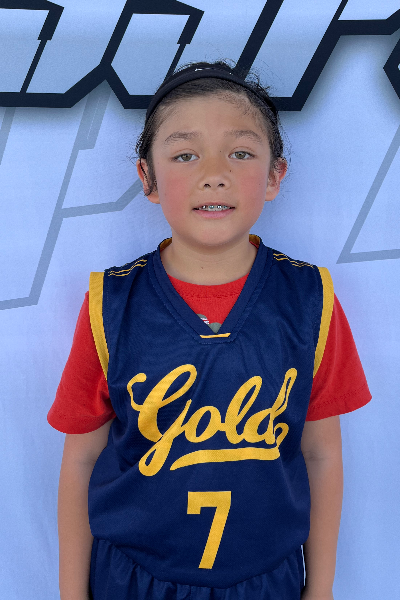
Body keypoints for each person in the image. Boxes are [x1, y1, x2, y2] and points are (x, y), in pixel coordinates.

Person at [48, 60, 372, 600]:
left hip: (266, 581)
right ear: (147, 178)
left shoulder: (310, 299)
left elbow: (321, 454)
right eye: (185, 155)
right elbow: (80, 458)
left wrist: (321, 589)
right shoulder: (111, 304)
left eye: (240, 153)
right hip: (132, 580)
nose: (214, 173)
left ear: (275, 176)